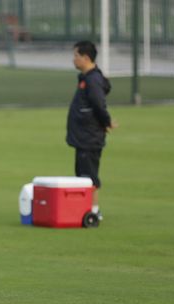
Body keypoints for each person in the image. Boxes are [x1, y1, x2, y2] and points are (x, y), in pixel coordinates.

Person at [66, 40, 116, 220]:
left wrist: (107, 121)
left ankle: (94, 211)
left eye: (76, 56)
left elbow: (98, 104)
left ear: (86, 58)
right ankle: (85, 208)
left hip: (89, 136)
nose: (73, 59)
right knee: (82, 175)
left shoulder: (93, 80)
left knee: (89, 176)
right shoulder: (86, 79)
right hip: (83, 136)